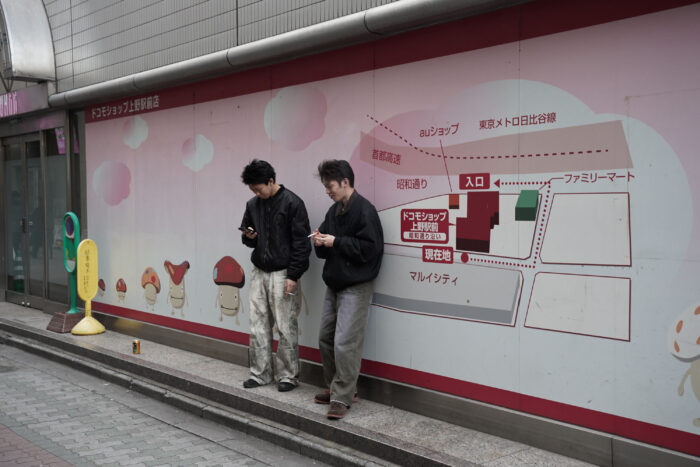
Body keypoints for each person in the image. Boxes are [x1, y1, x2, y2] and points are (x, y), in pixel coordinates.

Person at [311, 159, 384, 419]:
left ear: (345, 182)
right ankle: (337, 388)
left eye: (329, 186)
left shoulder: (365, 210)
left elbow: (371, 250)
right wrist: (319, 241)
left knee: (345, 343)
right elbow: (326, 248)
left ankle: (342, 396)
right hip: (335, 282)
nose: (327, 191)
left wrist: (336, 242)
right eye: (325, 186)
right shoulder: (334, 211)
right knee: (325, 338)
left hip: (356, 284)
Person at [240, 159, 311, 392]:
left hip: (283, 272)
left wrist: (293, 275)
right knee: (257, 325)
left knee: (285, 325)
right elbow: (247, 236)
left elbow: (302, 244)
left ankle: (288, 376)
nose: (256, 193)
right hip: (259, 270)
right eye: (252, 189)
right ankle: (260, 374)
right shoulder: (252, 204)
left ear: (271, 181)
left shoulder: (293, 203)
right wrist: (249, 237)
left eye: (258, 188)